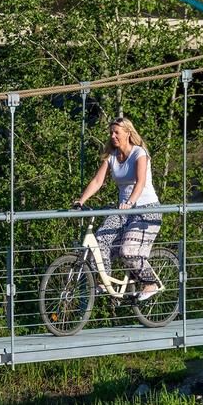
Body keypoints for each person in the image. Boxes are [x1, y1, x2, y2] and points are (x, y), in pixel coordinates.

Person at [74, 117, 163, 301]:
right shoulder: (112, 157)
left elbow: (140, 183)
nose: (113, 136)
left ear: (128, 133)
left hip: (146, 209)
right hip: (124, 210)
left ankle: (150, 283)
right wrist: (80, 201)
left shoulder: (140, 153)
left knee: (128, 251)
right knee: (99, 242)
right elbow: (98, 181)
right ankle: (105, 282)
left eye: (117, 132)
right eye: (111, 132)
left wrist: (130, 203)